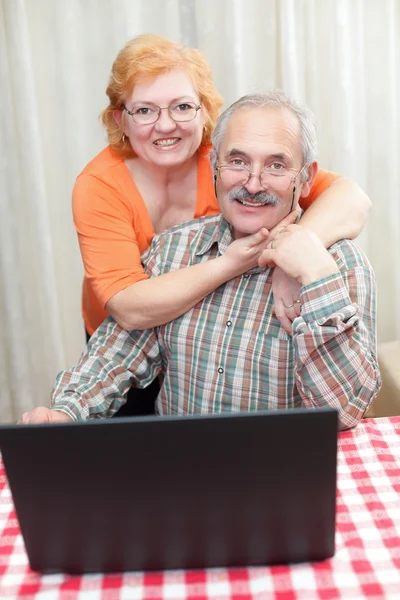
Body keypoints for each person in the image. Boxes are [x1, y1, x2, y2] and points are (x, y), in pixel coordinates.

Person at [21, 91, 381, 431]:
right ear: (215, 169)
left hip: (281, 476)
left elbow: (346, 411)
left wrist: (313, 272)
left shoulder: (343, 266)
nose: (253, 184)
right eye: (238, 161)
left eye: (275, 165)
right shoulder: (171, 250)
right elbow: (116, 353)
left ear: (305, 180)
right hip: (178, 472)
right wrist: (65, 412)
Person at [73, 34, 371, 416]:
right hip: (126, 327)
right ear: (121, 120)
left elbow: (350, 197)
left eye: (182, 106)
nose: (166, 125)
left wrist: (291, 255)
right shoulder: (100, 186)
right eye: (145, 110)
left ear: (203, 112)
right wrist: (234, 262)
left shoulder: (235, 156)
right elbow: (129, 314)